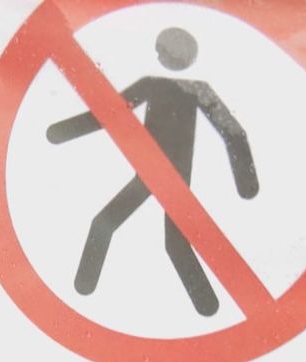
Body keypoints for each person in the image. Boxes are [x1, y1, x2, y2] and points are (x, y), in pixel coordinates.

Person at [47, 27, 259, 317]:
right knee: (163, 239)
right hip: (155, 173)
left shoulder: (181, 88)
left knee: (114, 226)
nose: (158, 55)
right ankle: (210, 307)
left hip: (165, 176)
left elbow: (233, 132)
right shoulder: (173, 87)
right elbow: (110, 113)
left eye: (162, 50)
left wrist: (247, 184)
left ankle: (211, 308)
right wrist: (60, 132)